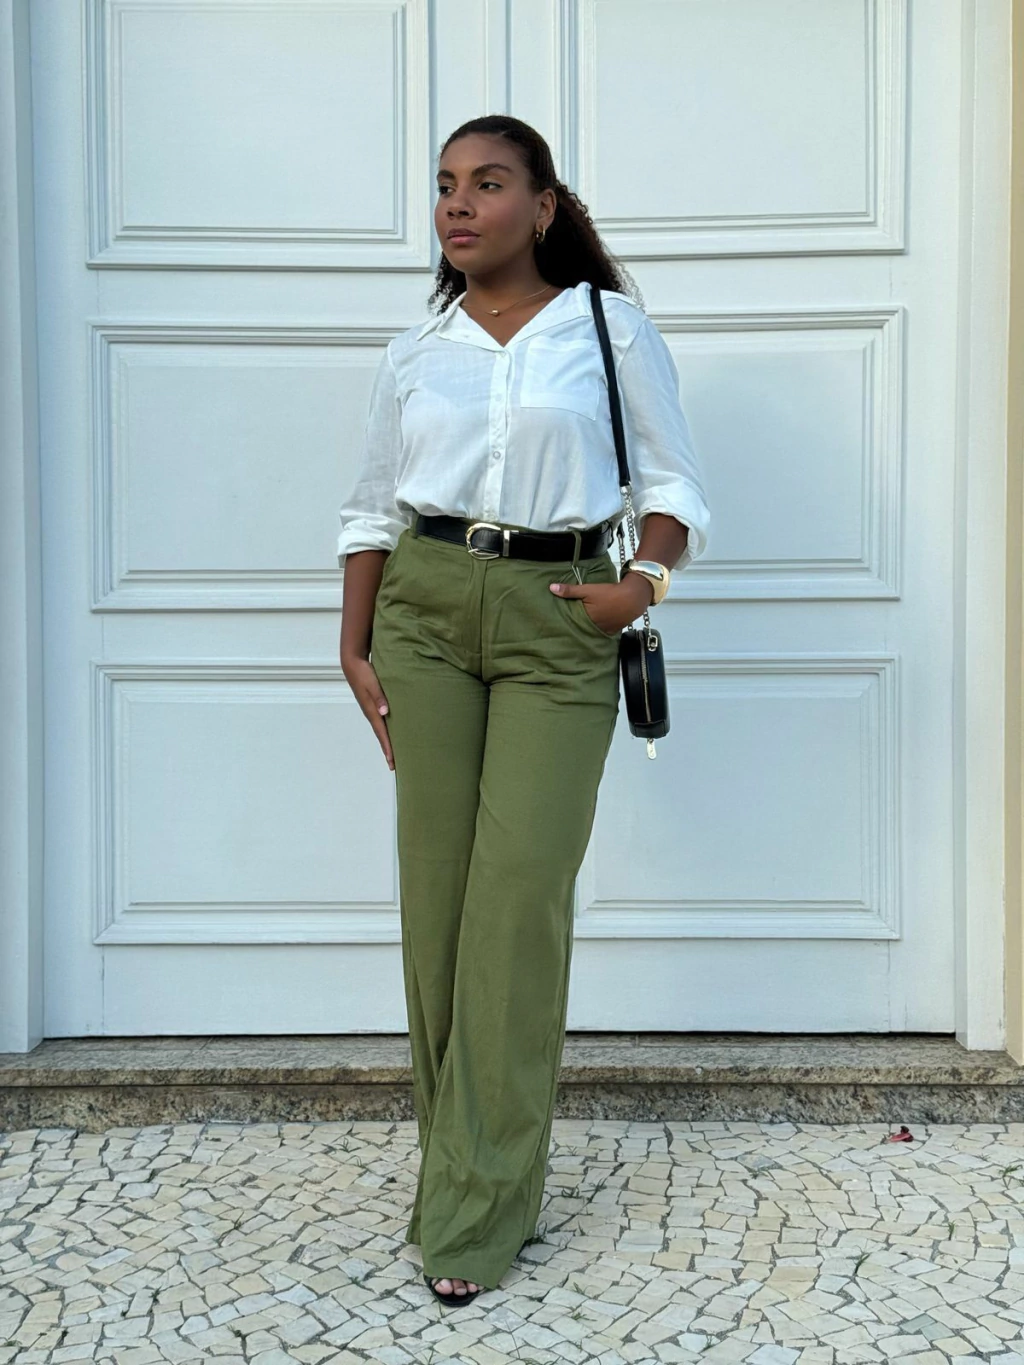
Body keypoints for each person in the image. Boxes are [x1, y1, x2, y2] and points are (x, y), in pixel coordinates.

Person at [336, 114, 711, 1306]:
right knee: (439, 904)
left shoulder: (607, 329)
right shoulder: (417, 350)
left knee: (518, 900)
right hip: (425, 611)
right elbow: (372, 507)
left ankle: (477, 1202)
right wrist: (352, 642)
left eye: (488, 183)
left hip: (559, 617)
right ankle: (461, 1170)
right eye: (445, 185)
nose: (458, 204)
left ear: (542, 207)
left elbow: (676, 487)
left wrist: (636, 589)